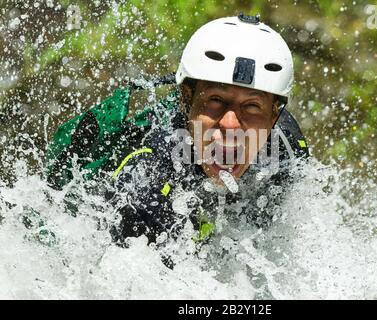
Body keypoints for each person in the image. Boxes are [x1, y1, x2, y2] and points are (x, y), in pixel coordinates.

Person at [106, 14, 309, 247]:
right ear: (186, 99)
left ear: (274, 115)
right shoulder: (149, 181)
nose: (231, 124)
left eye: (252, 106)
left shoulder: (287, 150)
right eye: (216, 100)